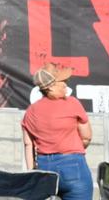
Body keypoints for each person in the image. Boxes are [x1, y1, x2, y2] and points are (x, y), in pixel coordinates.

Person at [21, 63, 92, 200]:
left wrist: (31, 172)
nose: (66, 84)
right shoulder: (72, 103)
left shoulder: (30, 112)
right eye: (63, 82)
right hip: (73, 167)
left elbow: (28, 145)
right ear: (51, 87)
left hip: (44, 168)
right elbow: (87, 137)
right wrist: (72, 151)